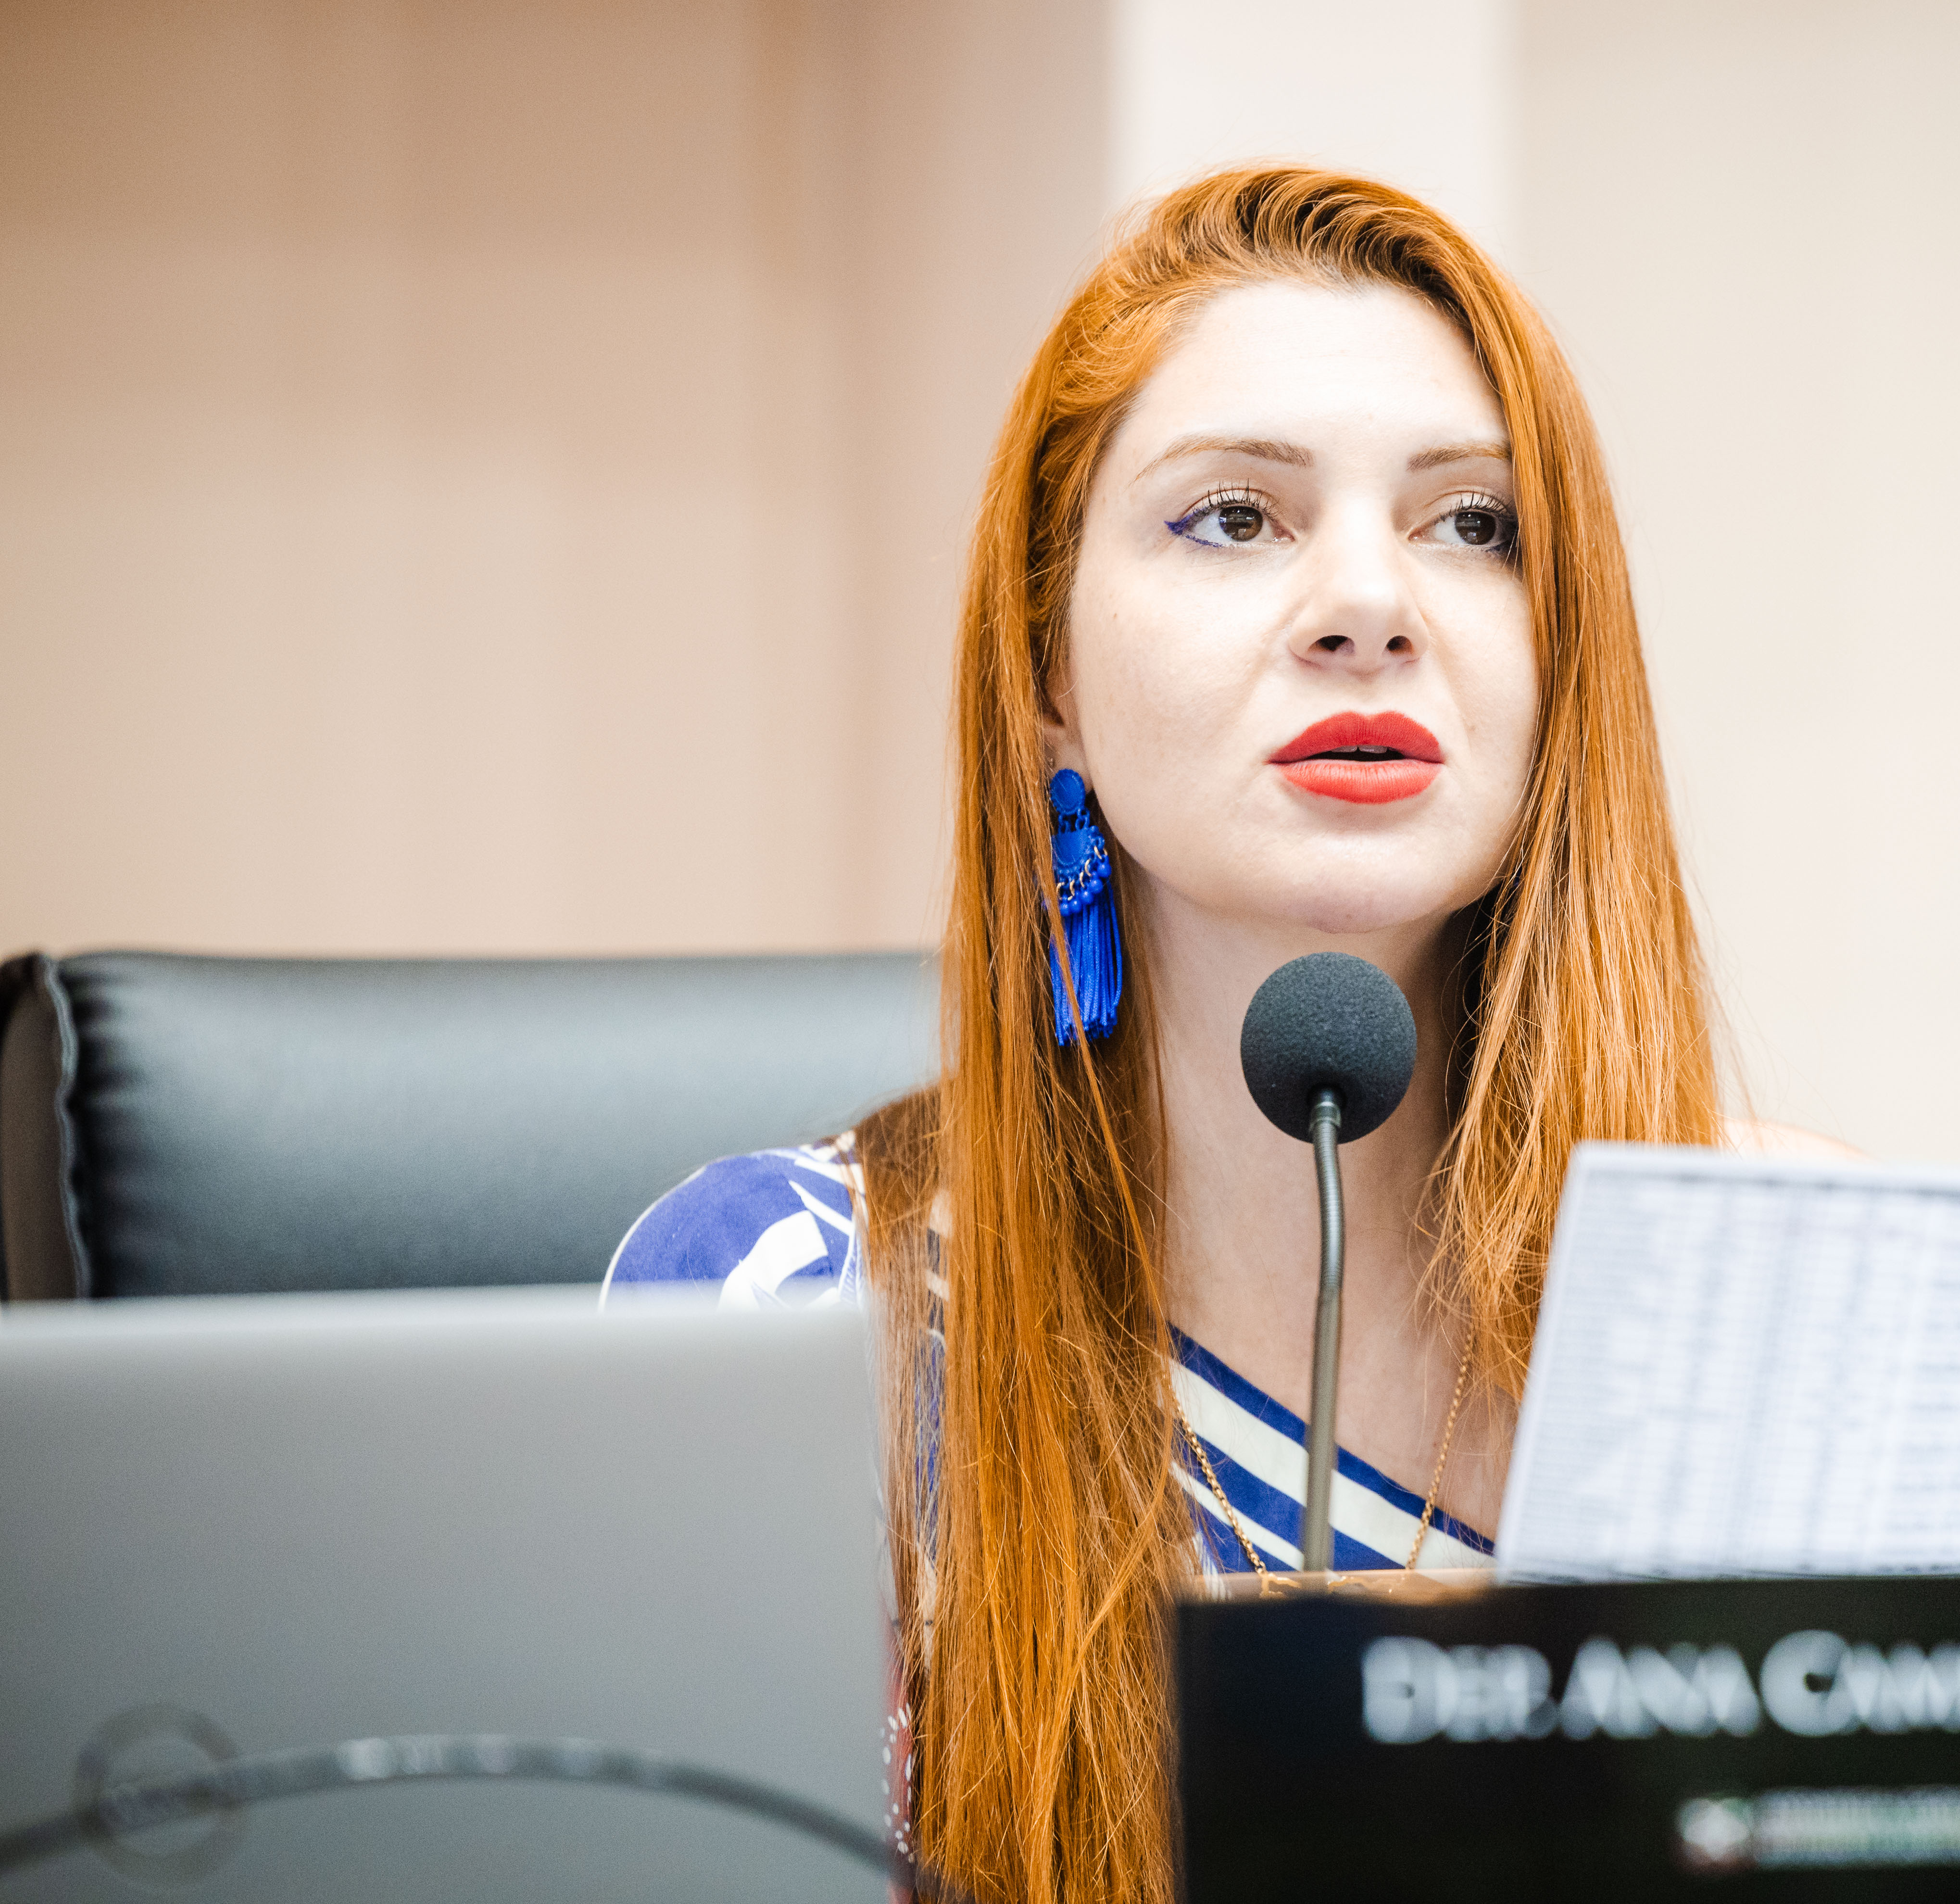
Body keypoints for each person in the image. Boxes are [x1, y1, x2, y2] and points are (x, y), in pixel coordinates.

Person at [604, 165, 1850, 1904]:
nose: (1369, 605)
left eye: (1473, 524)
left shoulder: (1782, 1295)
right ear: (1047, 669)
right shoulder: (794, 1315)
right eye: (1234, 517)